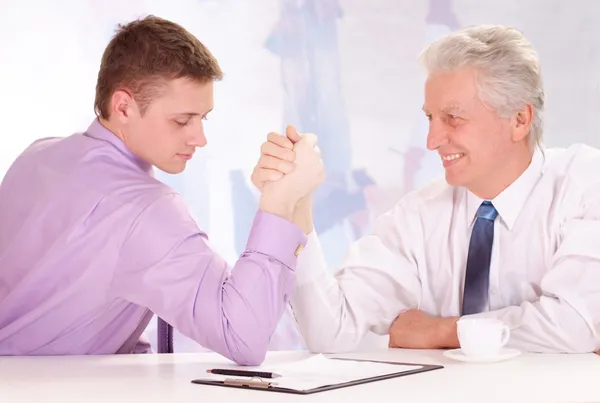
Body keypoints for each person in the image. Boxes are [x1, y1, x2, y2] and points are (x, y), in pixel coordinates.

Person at [251, 24, 600, 354]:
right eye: (430, 118)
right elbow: (332, 332)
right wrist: (297, 205)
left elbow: (576, 325)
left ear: (520, 120)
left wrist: (442, 332)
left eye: (453, 118)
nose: (432, 141)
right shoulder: (420, 214)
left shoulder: (585, 184)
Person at [0, 15, 325, 366]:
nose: (199, 138)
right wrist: (278, 202)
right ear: (123, 107)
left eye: (204, 118)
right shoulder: (146, 209)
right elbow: (242, 336)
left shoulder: (37, 156)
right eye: (181, 120)